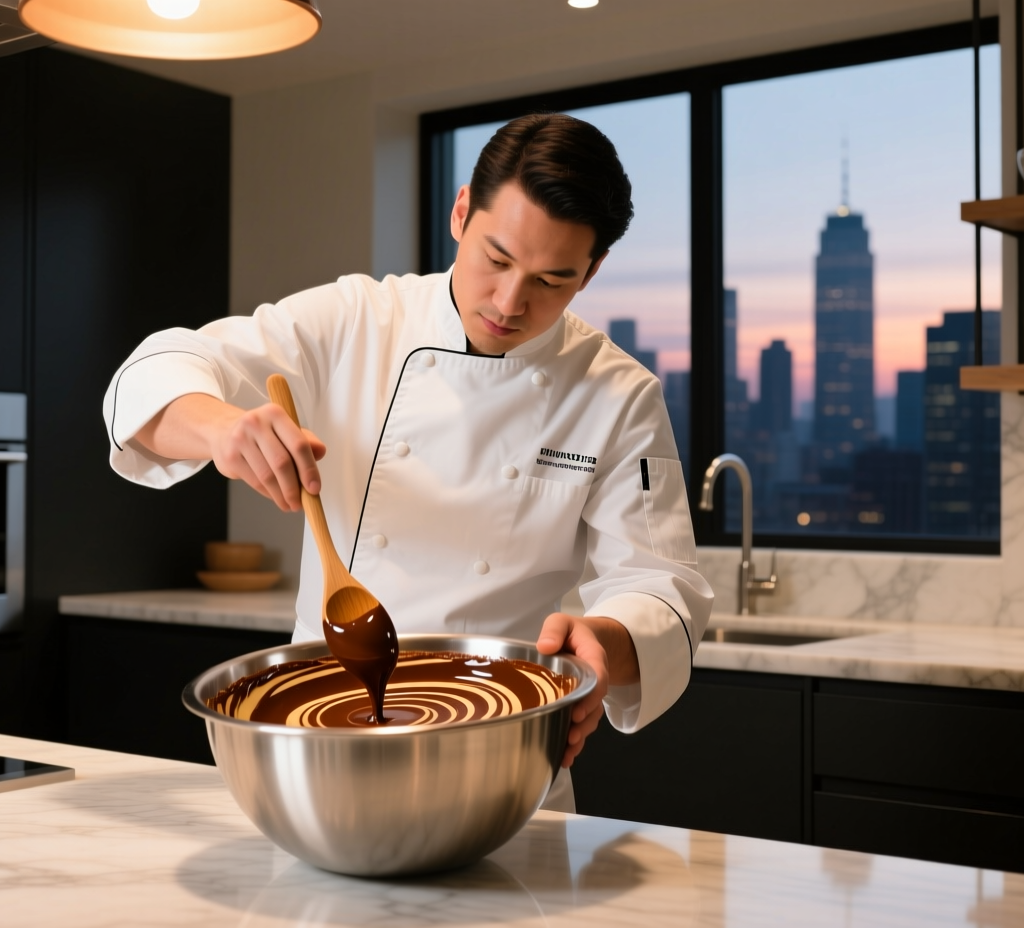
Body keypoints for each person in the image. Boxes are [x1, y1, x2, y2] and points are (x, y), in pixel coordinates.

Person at [103, 113, 713, 811]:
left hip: (503, 764)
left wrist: (607, 640)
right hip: (316, 747)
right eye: (497, 258)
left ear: (593, 270)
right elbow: (157, 368)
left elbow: (663, 582)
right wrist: (221, 430)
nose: (510, 303)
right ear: (461, 213)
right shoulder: (357, 319)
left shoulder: (618, 392)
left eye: (552, 279)